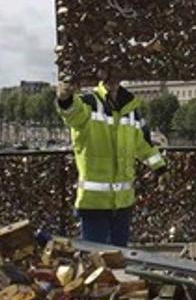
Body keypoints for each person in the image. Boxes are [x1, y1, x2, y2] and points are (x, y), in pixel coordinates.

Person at [56, 70, 166, 246]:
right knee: (96, 260)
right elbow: (72, 112)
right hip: (94, 203)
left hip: (122, 203)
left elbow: (143, 145)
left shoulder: (131, 110)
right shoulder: (89, 103)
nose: (113, 78)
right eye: (109, 72)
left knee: (119, 259)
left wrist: (160, 168)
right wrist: (65, 99)